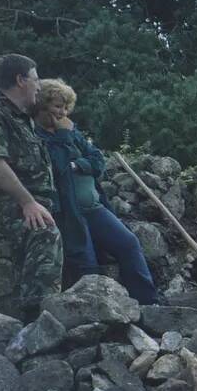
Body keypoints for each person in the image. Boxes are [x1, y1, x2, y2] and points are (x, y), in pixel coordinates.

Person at [32, 79, 159, 305]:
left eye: (65, 107)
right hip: (69, 214)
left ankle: (149, 304)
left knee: (129, 243)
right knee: (86, 263)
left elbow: (98, 161)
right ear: (41, 105)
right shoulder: (37, 137)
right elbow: (57, 168)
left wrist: (77, 165)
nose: (62, 112)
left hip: (95, 208)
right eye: (57, 106)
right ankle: (95, 320)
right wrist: (65, 141)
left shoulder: (71, 131)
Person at [0, 54, 64, 322]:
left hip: (35, 200)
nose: (39, 87)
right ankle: (39, 322)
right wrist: (27, 202)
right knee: (44, 231)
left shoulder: (23, 118)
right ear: (20, 80)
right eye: (35, 80)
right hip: (6, 202)